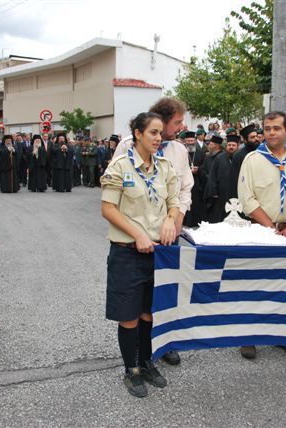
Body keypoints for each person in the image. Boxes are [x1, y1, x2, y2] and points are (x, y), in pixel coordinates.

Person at [101, 112, 179, 398]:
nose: (159, 138)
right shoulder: (120, 166)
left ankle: (146, 362)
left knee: (149, 312)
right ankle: (131, 370)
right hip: (127, 253)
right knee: (130, 316)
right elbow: (108, 209)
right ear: (137, 133)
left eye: (161, 133)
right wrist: (138, 234)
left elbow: (174, 201)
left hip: (159, 253)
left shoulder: (166, 167)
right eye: (153, 133)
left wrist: (171, 219)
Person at [111, 97, 192, 366]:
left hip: (168, 237)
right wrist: (137, 234)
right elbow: (115, 198)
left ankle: (161, 346)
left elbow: (183, 190)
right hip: (136, 240)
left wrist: (176, 217)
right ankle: (133, 365)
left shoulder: (178, 152)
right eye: (178, 122)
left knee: (160, 300)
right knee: (133, 308)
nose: (181, 126)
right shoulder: (125, 149)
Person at [237, 111, 286, 359]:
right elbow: (247, 199)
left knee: (282, 286)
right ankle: (249, 336)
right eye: (267, 129)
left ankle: (278, 334)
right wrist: (271, 228)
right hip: (261, 231)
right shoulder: (252, 160)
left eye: (277, 128)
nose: (271, 133)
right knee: (256, 285)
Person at [205, 135, 238, 223]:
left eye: (233, 145)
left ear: (237, 146)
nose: (231, 147)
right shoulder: (219, 158)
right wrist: (213, 191)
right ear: (226, 146)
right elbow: (212, 175)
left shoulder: (241, 158)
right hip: (221, 194)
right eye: (229, 145)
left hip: (237, 194)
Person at [183, 130, 207, 227]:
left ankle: (196, 221)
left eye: (192, 140)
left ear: (195, 141)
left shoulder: (200, 152)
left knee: (196, 202)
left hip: (197, 182)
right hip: (185, 182)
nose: (190, 143)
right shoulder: (182, 152)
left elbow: (205, 166)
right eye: (188, 141)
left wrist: (199, 169)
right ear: (185, 141)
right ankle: (185, 222)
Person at [229, 125, 258, 199]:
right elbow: (235, 179)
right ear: (245, 140)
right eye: (252, 137)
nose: (256, 139)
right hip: (246, 195)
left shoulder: (262, 152)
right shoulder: (238, 156)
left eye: (256, 136)